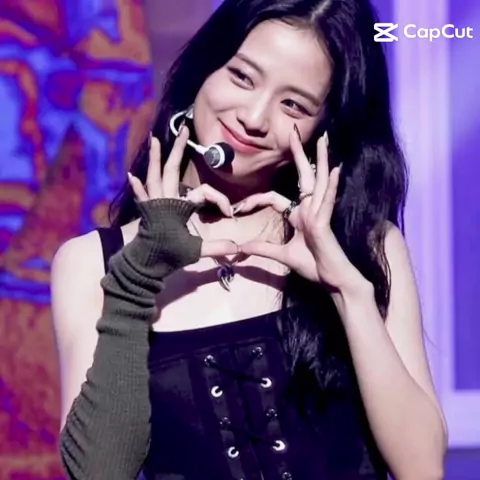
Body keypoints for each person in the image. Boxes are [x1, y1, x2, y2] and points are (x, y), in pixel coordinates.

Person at [51, 0, 448, 478]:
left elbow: (422, 468)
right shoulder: (92, 263)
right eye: (242, 77)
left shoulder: (365, 245)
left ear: (325, 130)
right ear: (203, 72)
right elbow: (97, 472)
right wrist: (137, 280)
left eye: (294, 105)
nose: (255, 117)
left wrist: (347, 291)